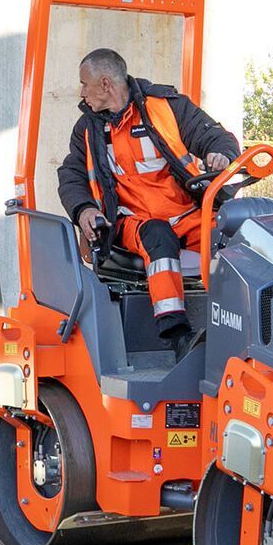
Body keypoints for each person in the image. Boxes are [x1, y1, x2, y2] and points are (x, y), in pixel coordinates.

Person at [58, 48, 239, 346]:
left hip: (187, 213)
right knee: (158, 236)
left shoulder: (167, 107)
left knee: (236, 237)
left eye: (84, 84)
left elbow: (214, 135)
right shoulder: (87, 129)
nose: (81, 92)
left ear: (105, 84)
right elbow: (72, 175)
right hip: (134, 222)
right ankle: (176, 334)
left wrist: (221, 154)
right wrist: (84, 210)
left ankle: (242, 325)